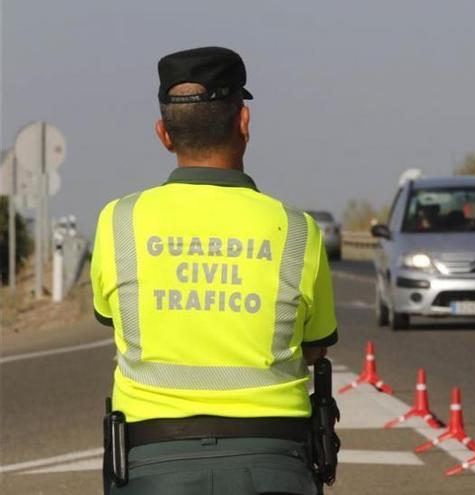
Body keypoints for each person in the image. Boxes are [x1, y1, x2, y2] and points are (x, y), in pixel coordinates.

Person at [90, 46, 338, 495]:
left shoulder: (117, 221)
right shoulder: (298, 230)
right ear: (244, 123)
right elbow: (314, 347)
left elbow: (111, 318)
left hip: (151, 462)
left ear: (164, 134)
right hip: (274, 460)